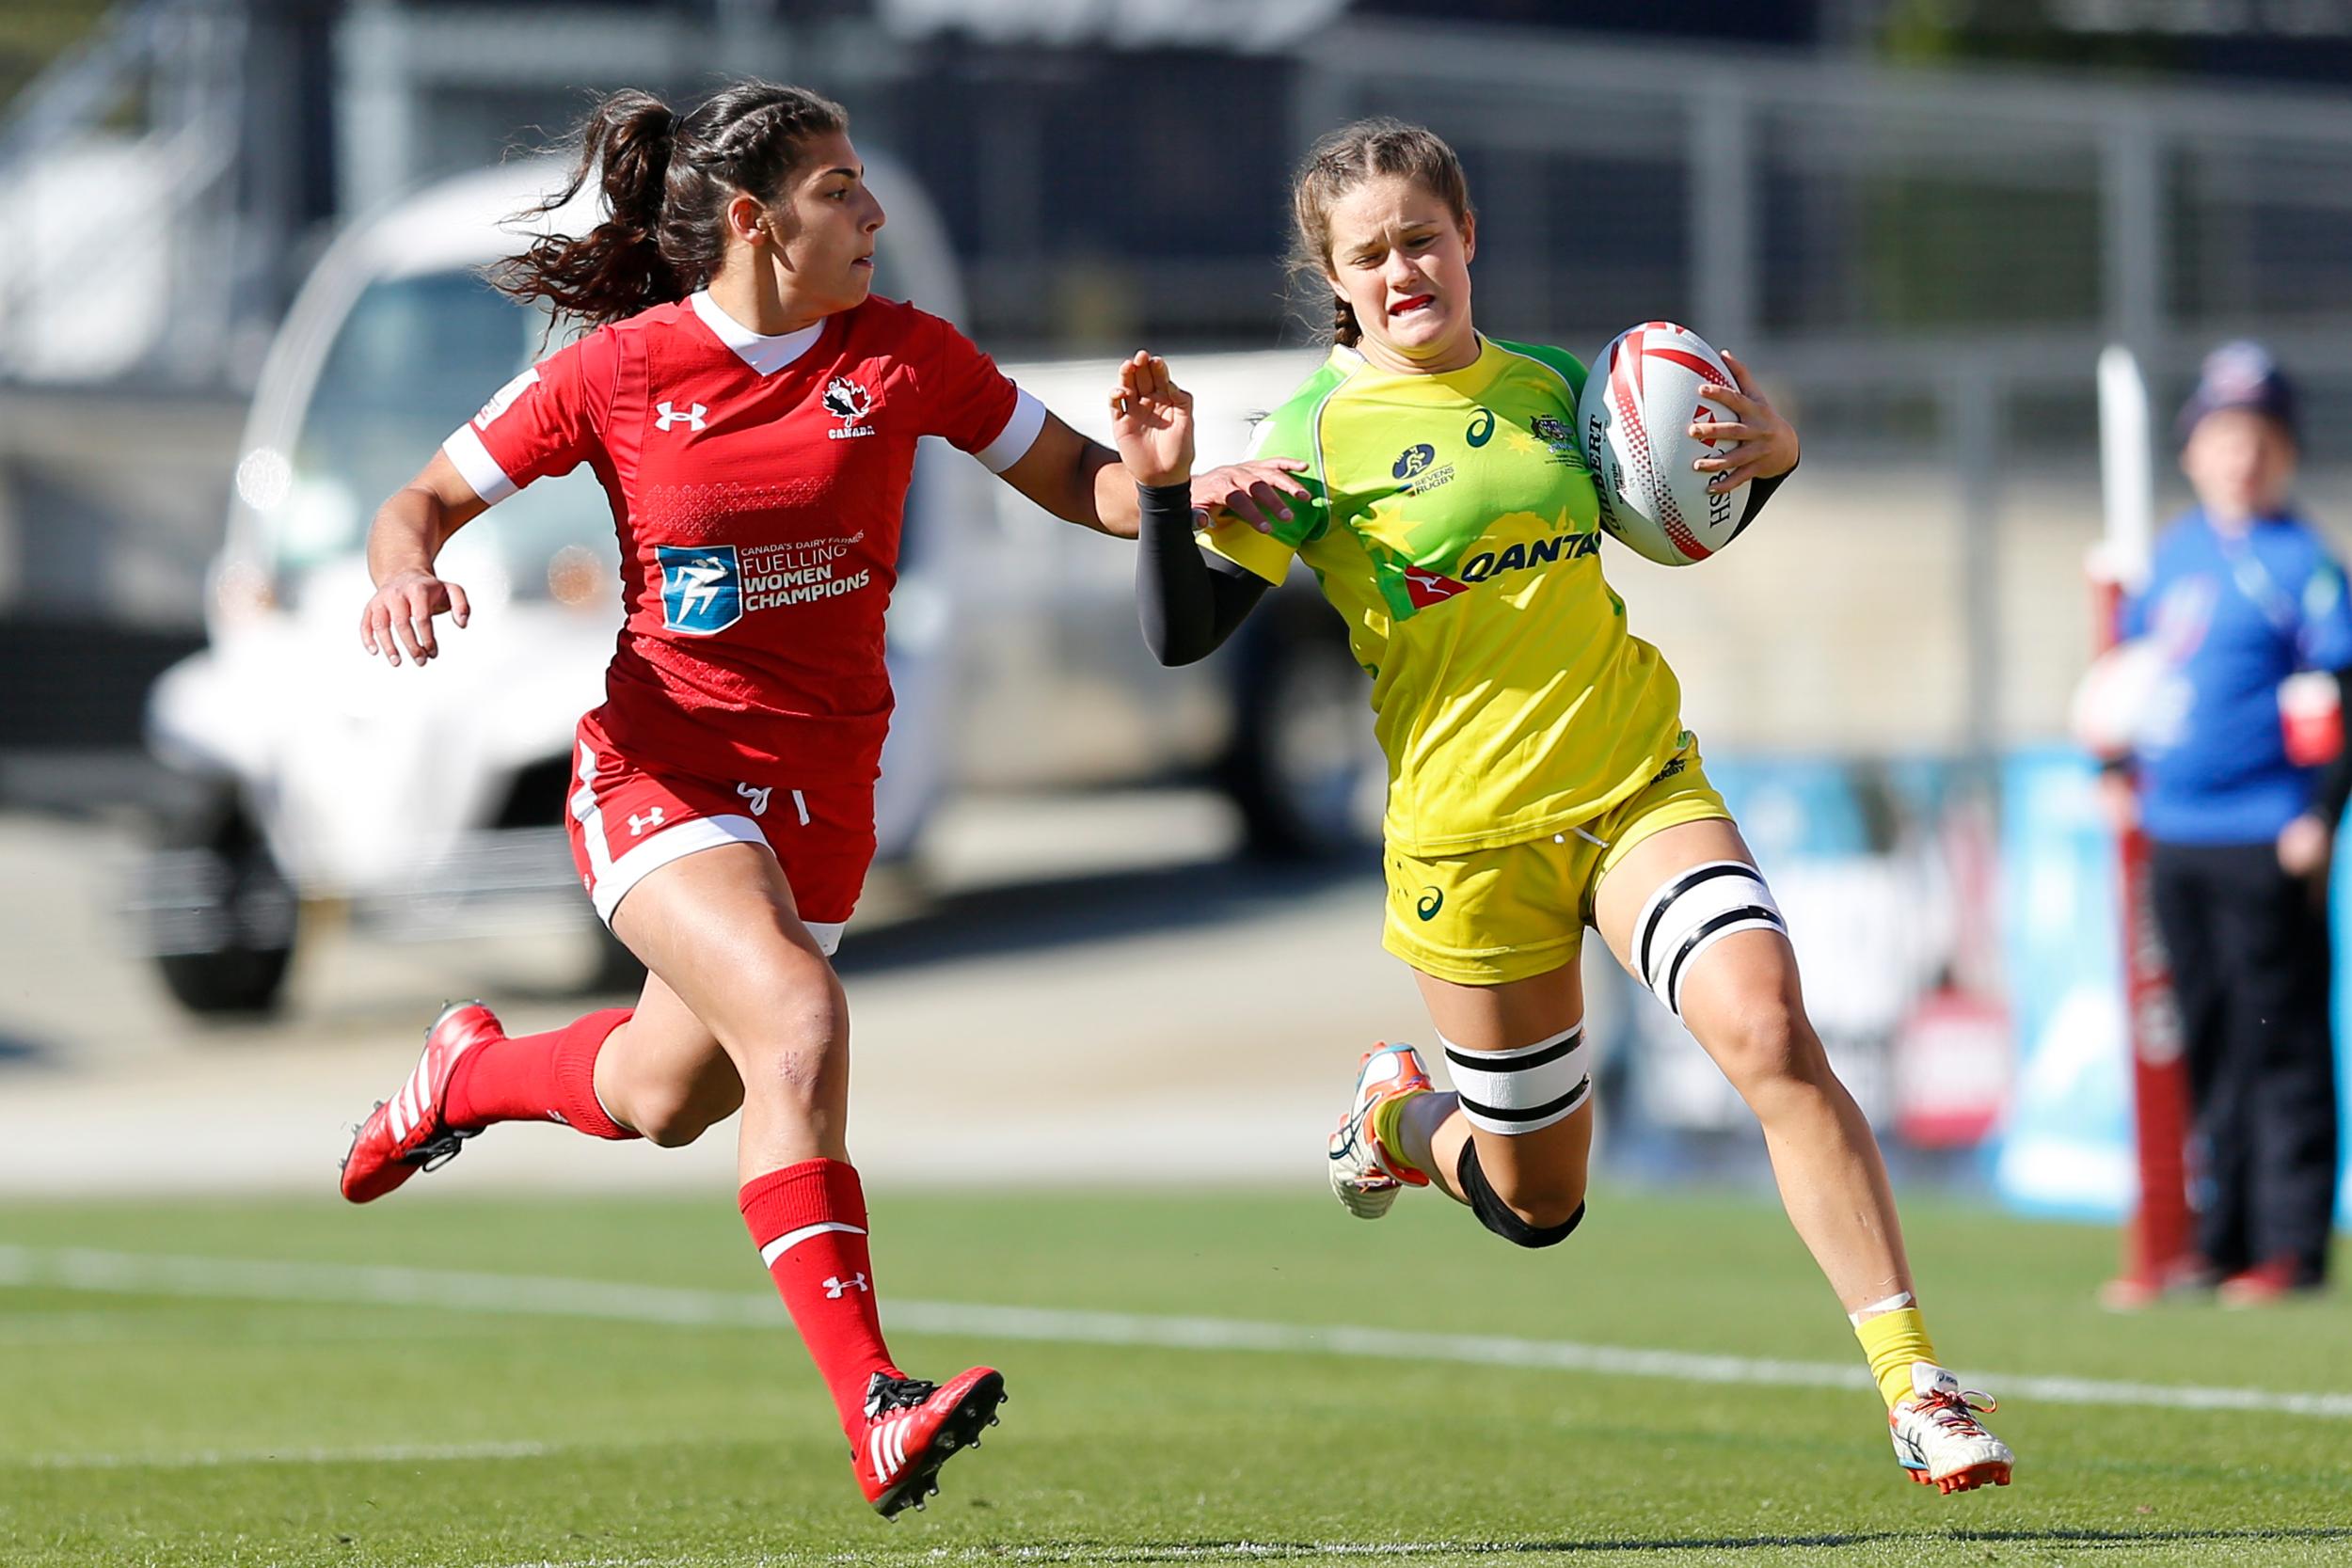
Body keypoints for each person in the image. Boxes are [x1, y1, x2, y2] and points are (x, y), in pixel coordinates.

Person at [337, 80, 1295, 1517]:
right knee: (797, 1018)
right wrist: (405, 567)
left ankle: (463, 1073)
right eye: (842, 188)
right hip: (661, 775)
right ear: (752, 220)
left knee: (670, 1094)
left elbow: (1075, 478)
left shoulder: (903, 355)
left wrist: (1176, 482)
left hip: (825, 794)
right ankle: (878, 1404)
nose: (874, 211)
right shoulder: (617, 372)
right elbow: (414, 500)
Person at [1113, 119, 2014, 1494]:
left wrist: (1764, 457)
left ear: (1468, 236)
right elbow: (1185, 637)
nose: (1404, 267)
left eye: (1423, 237)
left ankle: (1917, 1382)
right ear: (1336, 278)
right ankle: (1398, 1122)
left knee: (1772, 1031)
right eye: (1372, 254)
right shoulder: (1311, 433)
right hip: (1468, 847)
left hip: (1637, 783)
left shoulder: (1560, 389)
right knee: (1541, 1203)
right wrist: (1174, 493)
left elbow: (1680, 509)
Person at [2104, 341, 2352, 1306]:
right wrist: (2119, 768)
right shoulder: (2175, 555)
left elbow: (2337, 694)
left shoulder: (2302, 565)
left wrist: (2317, 813)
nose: (2239, 455)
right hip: (2179, 833)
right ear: (2192, 450)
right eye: (2221, 435)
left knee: (2277, 1037)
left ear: (2281, 450)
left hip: (2265, 830)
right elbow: (2135, 684)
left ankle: (2289, 1243)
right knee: (2206, 1031)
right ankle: (2220, 1233)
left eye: (2257, 436)